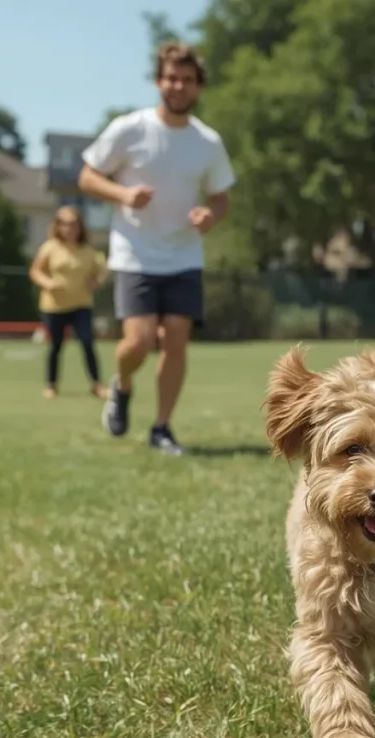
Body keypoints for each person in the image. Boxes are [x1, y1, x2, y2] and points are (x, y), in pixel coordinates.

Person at [77, 41, 236, 455]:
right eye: (170, 78)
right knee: (140, 341)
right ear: (158, 81)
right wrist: (123, 195)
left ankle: (162, 427)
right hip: (135, 251)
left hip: (184, 254)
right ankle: (122, 384)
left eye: (186, 79)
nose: (177, 86)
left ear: (198, 86)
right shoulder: (129, 128)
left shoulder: (208, 141)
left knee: (177, 337)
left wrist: (210, 216)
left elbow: (221, 197)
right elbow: (88, 177)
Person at [28, 206, 107, 400]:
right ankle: (51, 385)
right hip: (54, 306)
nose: (68, 228)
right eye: (63, 224)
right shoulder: (50, 247)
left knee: (87, 342)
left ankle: (97, 385)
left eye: (73, 224)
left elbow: (100, 272)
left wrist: (96, 282)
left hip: (81, 304)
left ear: (80, 226)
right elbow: (35, 271)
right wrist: (47, 283)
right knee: (55, 346)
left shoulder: (88, 250)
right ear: (57, 226)